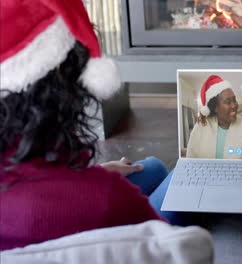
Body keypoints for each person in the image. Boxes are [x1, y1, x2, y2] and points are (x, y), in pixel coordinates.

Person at [0, 0, 170, 250]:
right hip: (110, 232)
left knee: (153, 167)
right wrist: (96, 181)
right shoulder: (107, 197)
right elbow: (171, 248)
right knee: (182, 178)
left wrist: (99, 171)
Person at [186, 75, 242, 159]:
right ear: (215, 108)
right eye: (228, 102)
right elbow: (190, 158)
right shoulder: (202, 125)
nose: (234, 105)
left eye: (234, 100)